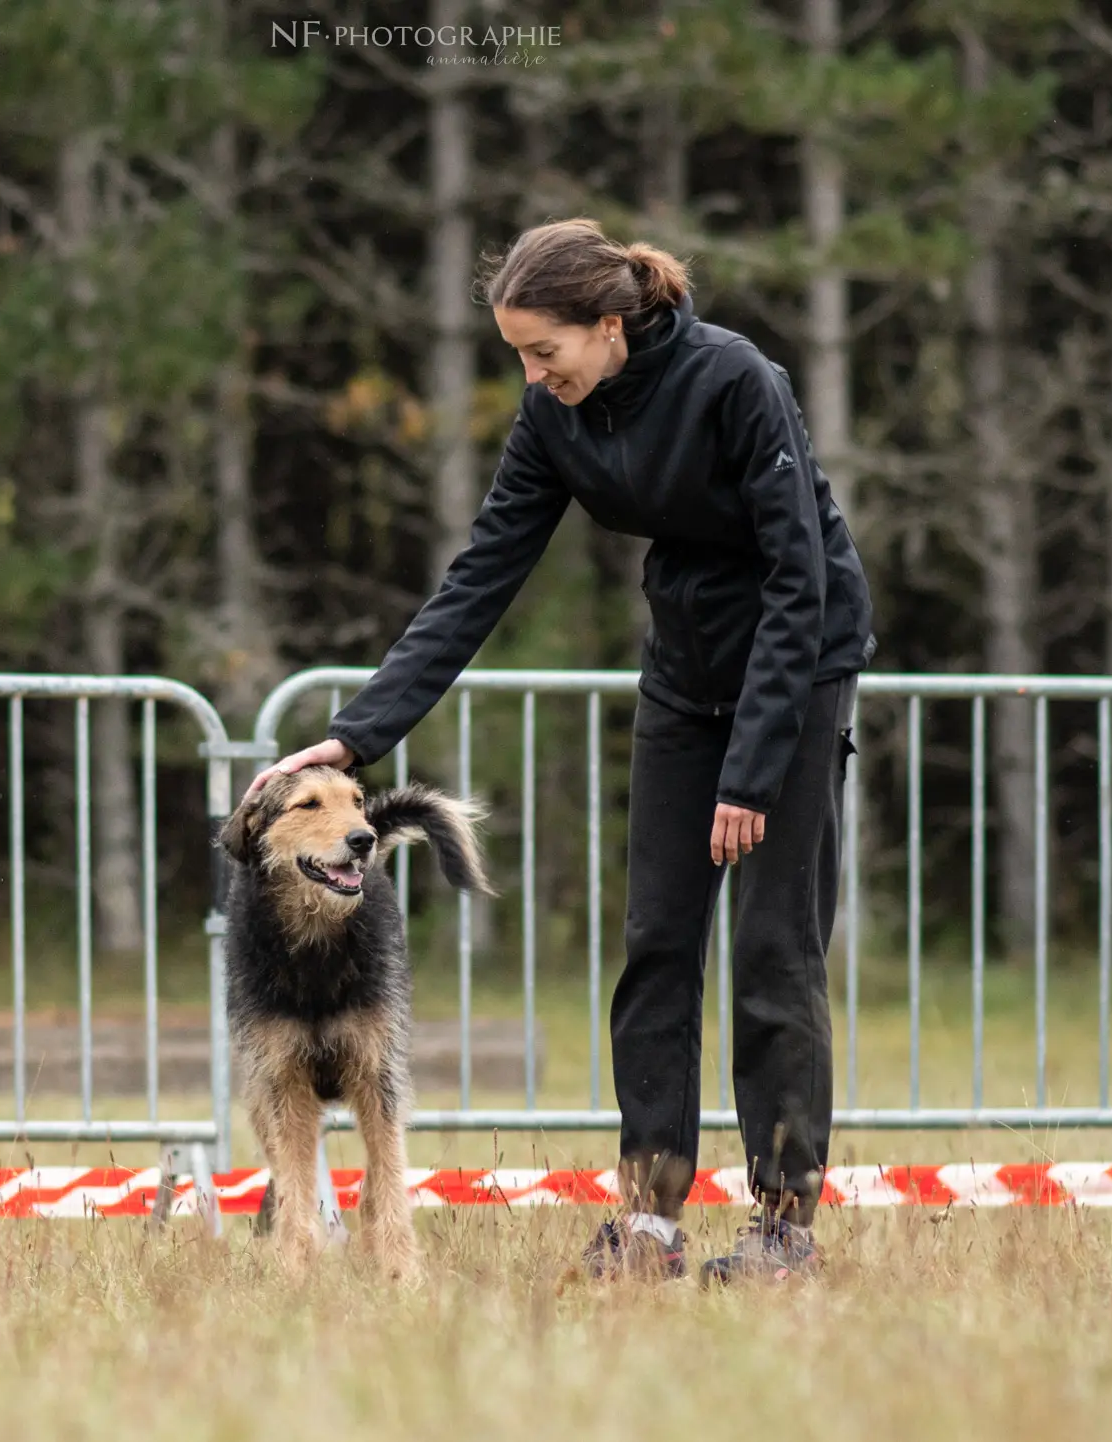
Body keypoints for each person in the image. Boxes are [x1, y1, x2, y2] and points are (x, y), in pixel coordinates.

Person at [244, 217, 875, 1284]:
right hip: (682, 673)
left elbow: (796, 578)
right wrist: (358, 731)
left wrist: (753, 770)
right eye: (517, 358)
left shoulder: (734, 381)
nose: (533, 376)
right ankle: (649, 1219)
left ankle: (781, 1228)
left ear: (609, 323)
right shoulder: (553, 419)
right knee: (656, 946)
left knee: (772, 950)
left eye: (544, 351)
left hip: (794, 671)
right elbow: (478, 580)